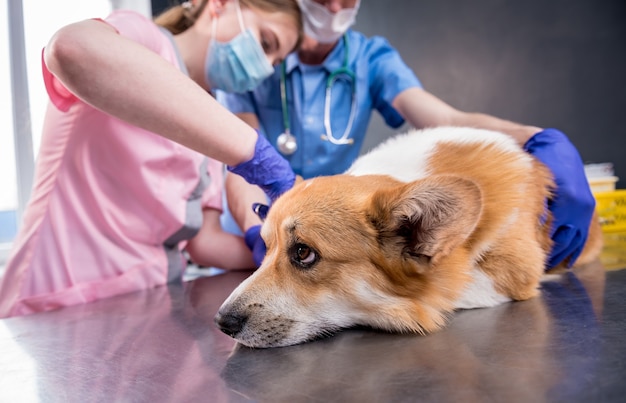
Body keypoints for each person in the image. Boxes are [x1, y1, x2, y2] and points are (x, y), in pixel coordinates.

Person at [218, 0, 596, 270]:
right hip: (261, 227)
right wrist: (257, 233)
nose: (334, 8)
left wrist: (534, 137)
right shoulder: (257, 56)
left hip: (335, 237)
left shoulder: (371, 59)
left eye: (346, 0)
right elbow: (241, 158)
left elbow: (446, 118)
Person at [0, 0, 303, 318]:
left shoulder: (210, 122)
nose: (266, 66)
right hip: (55, 303)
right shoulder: (145, 39)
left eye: (276, 61)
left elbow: (204, 242)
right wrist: (253, 151)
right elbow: (70, 48)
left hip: (141, 308)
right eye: (266, 43)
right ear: (220, 4)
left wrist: (278, 249)